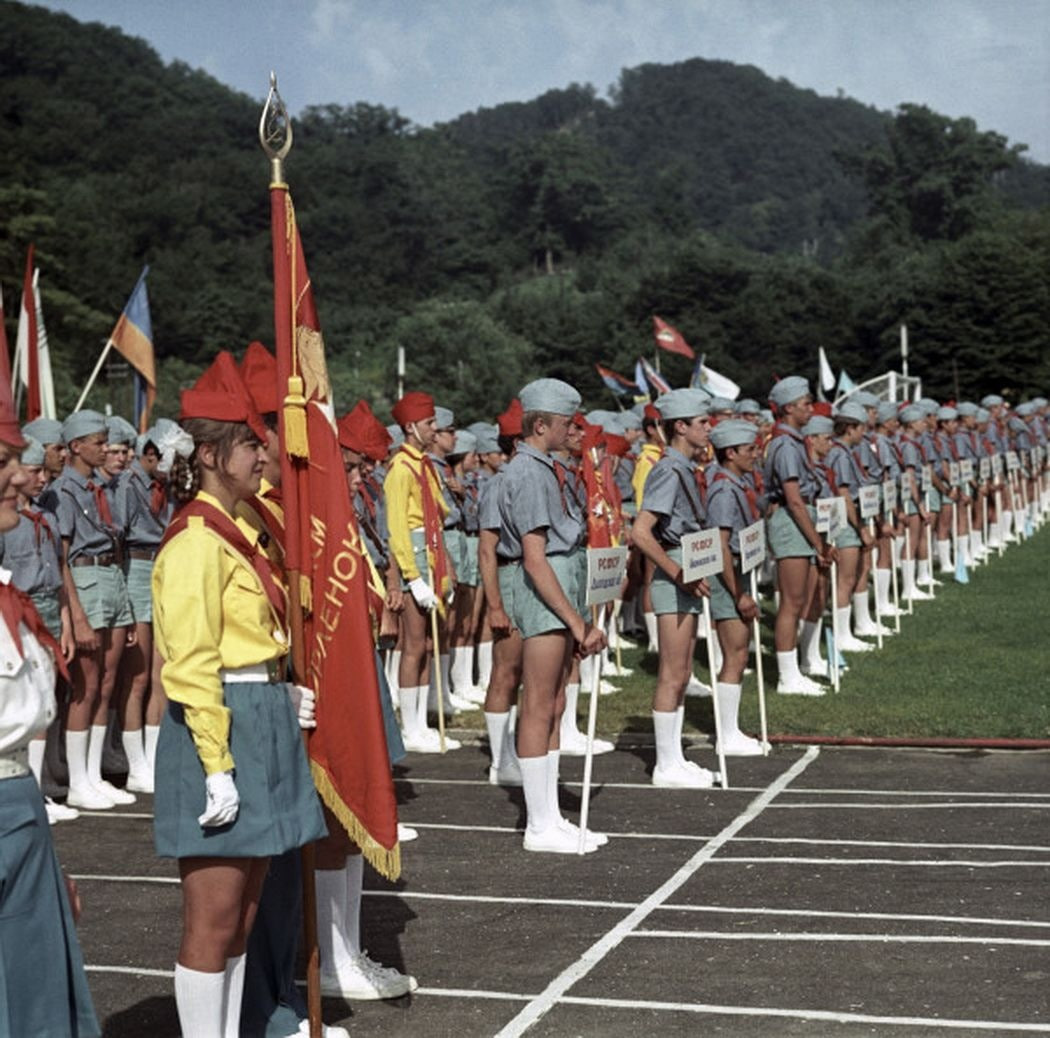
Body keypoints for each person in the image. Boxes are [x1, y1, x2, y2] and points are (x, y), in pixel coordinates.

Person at [152, 352, 326, 1037]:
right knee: (214, 917)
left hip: (257, 715)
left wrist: (280, 696)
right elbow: (193, 662)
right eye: (253, 443)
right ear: (212, 452)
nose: (264, 457)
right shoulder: (197, 541)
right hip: (217, 727)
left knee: (246, 912)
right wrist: (216, 765)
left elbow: (252, 641)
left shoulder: (244, 531)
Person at [0, 385, 100, 1036]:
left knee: (36, 999)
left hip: (18, 811)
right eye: (4, 460)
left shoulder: (6, 596)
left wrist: (47, 853)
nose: (20, 474)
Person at [497, 378, 606, 852]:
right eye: (566, 423)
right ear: (540, 425)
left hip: (561, 585)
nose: (572, 429)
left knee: (556, 701)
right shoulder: (527, 472)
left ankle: (551, 816)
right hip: (545, 594)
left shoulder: (547, 468)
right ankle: (538, 824)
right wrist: (578, 622)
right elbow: (535, 558)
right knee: (539, 701)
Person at [44, 410, 136, 809]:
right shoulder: (64, 491)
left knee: (108, 681)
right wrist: (77, 614)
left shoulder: (102, 487)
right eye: (98, 442)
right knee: (86, 684)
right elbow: (61, 557)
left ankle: (93, 773)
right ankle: (77, 778)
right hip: (84, 581)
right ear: (76, 446)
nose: (105, 448)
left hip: (110, 576)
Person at [631, 388, 720, 787]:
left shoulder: (685, 467)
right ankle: (665, 764)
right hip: (675, 569)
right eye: (702, 423)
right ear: (680, 426)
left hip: (688, 565)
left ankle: (675, 757)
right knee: (672, 671)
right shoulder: (668, 469)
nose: (708, 428)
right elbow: (641, 532)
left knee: (683, 669)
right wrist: (676, 570)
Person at [383, 392, 459, 753]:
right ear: (410, 427)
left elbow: (439, 515)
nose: (434, 429)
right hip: (413, 553)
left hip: (430, 551)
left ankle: (424, 723)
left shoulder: (424, 466)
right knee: (413, 644)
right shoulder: (401, 469)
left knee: (430, 642)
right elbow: (397, 526)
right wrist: (411, 578)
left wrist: (444, 567)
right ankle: (409, 727)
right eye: (429, 423)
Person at [763, 377, 833, 696]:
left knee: (799, 598)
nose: (810, 408)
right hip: (792, 522)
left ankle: (797, 668)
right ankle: (787, 677)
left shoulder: (793, 442)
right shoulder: (785, 445)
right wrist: (817, 542)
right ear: (789, 408)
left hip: (799, 520)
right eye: (805, 403)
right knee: (791, 603)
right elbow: (793, 498)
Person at [704, 419, 764, 756]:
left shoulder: (735, 483)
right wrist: (737, 593)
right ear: (731, 452)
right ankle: (727, 735)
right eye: (750, 449)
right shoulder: (725, 489)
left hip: (737, 572)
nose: (756, 454)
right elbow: (721, 544)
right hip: (728, 577)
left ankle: (732, 729)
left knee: (740, 652)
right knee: (736, 653)